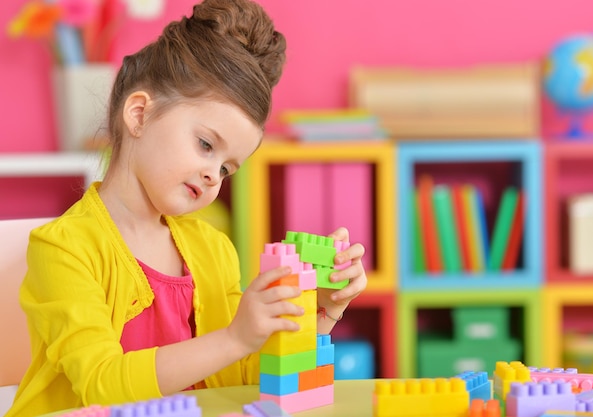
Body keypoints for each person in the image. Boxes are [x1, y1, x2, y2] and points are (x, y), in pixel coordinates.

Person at [6, 1, 367, 416]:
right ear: (139, 114)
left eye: (227, 168)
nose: (214, 174)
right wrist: (234, 337)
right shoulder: (64, 249)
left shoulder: (213, 251)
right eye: (206, 145)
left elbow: (245, 378)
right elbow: (100, 383)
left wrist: (317, 310)